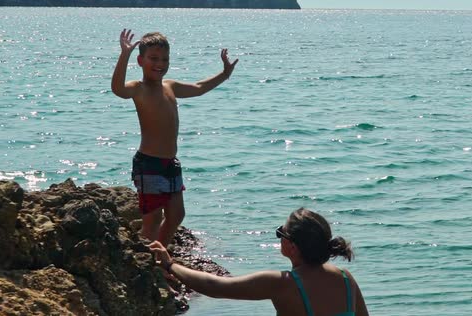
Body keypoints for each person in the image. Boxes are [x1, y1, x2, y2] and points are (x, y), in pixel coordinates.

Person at [111, 29, 238, 247]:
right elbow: (117, 89)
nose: (159, 63)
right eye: (153, 58)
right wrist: (125, 55)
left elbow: (199, 88)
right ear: (140, 61)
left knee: (177, 215)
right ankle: (144, 260)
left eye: (164, 59)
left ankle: (160, 254)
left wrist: (224, 74)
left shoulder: (170, 86)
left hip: (170, 163)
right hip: (148, 163)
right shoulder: (138, 88)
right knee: (152, 221)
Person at [149, 208, 369, 316]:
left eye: (280, 233)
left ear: (292, 246)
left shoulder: (283, 283)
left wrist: (171, 265)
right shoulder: (346, 279)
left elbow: (214, 286)